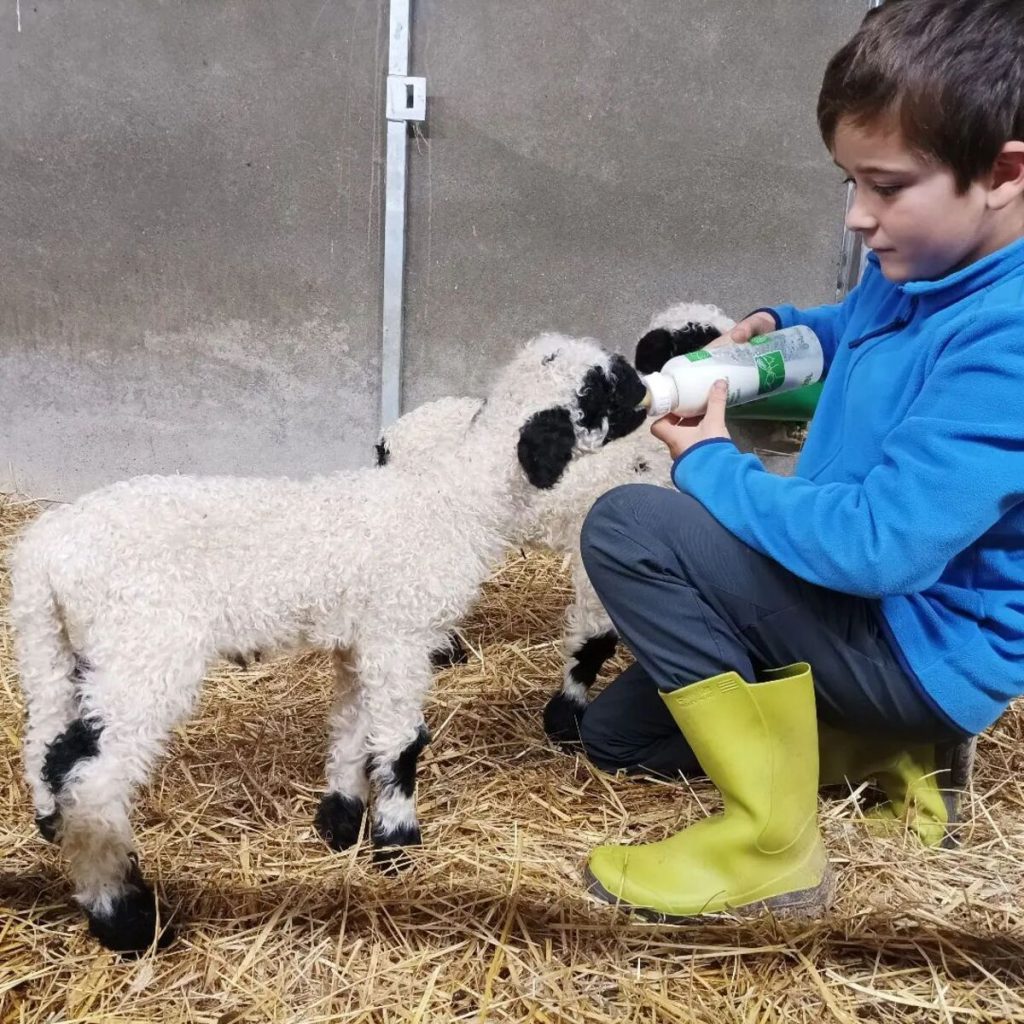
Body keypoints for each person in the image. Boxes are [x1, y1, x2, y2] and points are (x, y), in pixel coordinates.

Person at [578, 0, 1024, 921]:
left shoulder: (1007, 337)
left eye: (887, 186)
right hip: (860, 616)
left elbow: (878, 548)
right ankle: (874, 755)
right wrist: (785, 333)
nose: (860, 217)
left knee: (631, 526)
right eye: (848, 183)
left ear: (1003, 172)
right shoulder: (926, 270)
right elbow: (854, 329)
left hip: (916, 644)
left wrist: (710, 467)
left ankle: (774, 846)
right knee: (616, 738)